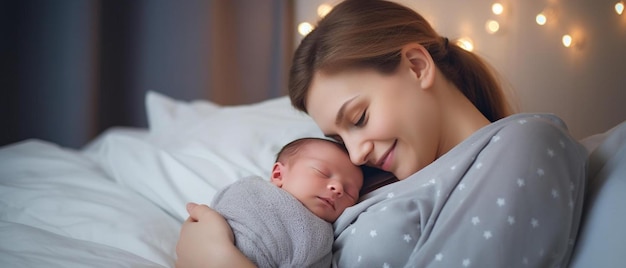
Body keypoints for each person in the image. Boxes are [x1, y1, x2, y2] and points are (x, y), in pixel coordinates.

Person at [176, 0, 588, 267]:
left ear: (415, 65)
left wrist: (215, 259)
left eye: (358, 118)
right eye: (340, 137)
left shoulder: (527, 144)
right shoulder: (366, 185)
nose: (354, 156)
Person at [182, 137, 363, 268]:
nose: (338, 188)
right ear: (278, 174)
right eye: (322, 172)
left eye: (350, 193)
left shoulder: (323, 238)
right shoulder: (249, 188)